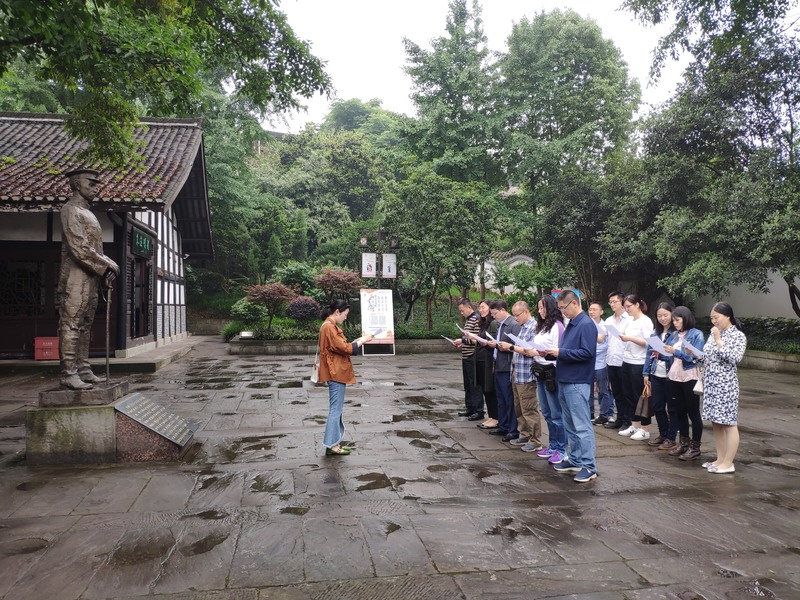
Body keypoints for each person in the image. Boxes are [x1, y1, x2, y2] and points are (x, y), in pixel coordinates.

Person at [58, 169, 120, 390]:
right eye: (91, 184)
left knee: (85, 324)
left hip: (90, 276)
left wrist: (107, 264)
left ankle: (83, 368)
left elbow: (95, 249)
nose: (95, 188)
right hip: (75, 275)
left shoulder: (88, 213)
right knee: (71, 322)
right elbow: (79, 248)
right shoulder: (70, 210)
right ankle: (68, 373)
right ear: (76, 184)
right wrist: (106, 265)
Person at [547, 290, 598, 483]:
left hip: (577, 381)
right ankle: (575, 459)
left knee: (582, 426)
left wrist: (560, 352)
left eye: (563, 307)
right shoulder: (573, 323)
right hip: (566, 379)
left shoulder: (586, 324)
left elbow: (587, 353)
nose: (562, 312)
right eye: (560, 308)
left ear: (574, 303)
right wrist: (553, 353)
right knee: (570, 424)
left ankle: (589, 466)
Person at [688, 302, 746, 472]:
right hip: (711, 384)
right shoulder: (714, 333)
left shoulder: (738, 336)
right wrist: (694, 353)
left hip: (725, 385)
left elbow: (734, 358)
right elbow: (706, 357)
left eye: (716, 317)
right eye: (712, 318)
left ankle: (728, 463)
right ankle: (720, 459)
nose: (714, 321)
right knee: (716, 423)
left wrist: (719, 341)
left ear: (728, 316)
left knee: (728, 423)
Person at [317, 300, 373, 456]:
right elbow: (345, 348)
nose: (345, 317)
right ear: (337, 312)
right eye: (345, 314)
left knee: (336, 409)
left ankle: (333, 443)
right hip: (336, 372)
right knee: (335, 410)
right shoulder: (329, 327)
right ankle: (332, 445)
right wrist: (362, 340)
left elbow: (340, 347)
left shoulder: (328, 326)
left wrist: (358, 341)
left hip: (335, 371)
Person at [525, 295, 567, 464]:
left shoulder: (557, 326)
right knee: (547, 412)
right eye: (539, 308)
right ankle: (553, 445)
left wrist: (539, 352)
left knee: (556, 413)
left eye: (543, 308)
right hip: (540, 370)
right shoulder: (542, 326)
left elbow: (558, 350)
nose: (540, 311)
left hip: (552, 371)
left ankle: (562, 449)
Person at [498, 301, 543, 452]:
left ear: (526, 312)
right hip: (517, 373)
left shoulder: (534, 327)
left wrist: (510, 347)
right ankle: (524, 434)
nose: (515, 318)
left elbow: (530, 350)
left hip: (527, 375)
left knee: (529, 408)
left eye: (517, 315)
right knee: (519, 408)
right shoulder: (522, 327)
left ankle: (535, 440)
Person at [662, 306, 705, 458]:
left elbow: (695, 358)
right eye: (673, 320)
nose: (675, 323)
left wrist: (676, 352)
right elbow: (669, 356)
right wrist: (661, 352)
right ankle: (683, 443)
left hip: (689, 375)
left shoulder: (696, 334)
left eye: (677, 320)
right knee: (679, 411)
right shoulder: (674, 334)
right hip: (674, 375)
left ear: (685, 319)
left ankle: (695, 447)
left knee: (693, 412)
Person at [618, 295, 654, 439]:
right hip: (627, 360)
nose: (627, 309)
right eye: (625, 307)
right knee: (628, 395)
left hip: (639, 362)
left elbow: (648, 343)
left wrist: (630, 338)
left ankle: (644, 428)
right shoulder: (630, 321)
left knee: (640, 396)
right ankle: (634, 425)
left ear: (637, 304)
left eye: (629, 306)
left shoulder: (645, 321)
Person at [485, 300, 520, 442]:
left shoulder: (513, 324)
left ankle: (513, 429)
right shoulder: (500, 324)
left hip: (507, 366)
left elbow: (517, 346)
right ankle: (503, 426)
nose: (494, 317)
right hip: (498, 365)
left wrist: (503, 346)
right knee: (500, 399)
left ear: (503, 310)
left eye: (495, 313)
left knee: (508, 399)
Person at [642, 303, 676, 448]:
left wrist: (663, 353)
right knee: (657, 406)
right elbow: (649, 354)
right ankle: (663, 434)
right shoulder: (655, 333)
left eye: (666, 315)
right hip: (656, 373)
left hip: (671, 375)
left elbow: (676, 354)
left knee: (672, 408)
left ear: (672, 315)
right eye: (659, 315)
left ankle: (671, 437)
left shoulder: (676, 334)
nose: (663, 318)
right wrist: (646, 373)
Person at [453, 298, 484, 421]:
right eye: (460, 311)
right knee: (467, 384)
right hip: (466, 355)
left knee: (474, 384)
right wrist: (462, 342)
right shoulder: (469, 320)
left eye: (462, 310)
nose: (461, 313)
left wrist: (463, 340)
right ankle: (470, 408)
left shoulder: (476, 319)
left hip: (472, 356)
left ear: (469, 307)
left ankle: (478, 410)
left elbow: (477, 339)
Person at [602, 292, 630, 428]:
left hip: (624, 360)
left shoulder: (629, 319)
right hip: (611, 360)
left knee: (626, 392)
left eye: (615, 302)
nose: (612, 304)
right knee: (616, 392)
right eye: (610, 302)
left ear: (622, 302)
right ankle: (620, 418)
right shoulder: (608, 320)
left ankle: (628, 420)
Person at [588, 301, 614, 425]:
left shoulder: (604, 325)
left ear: (601, 312)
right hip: (589, 362)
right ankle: (590, 413)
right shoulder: (587, 324)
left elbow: (603, 343)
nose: (592, 312)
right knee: (588, 390)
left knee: (603, 390)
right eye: (590, 310)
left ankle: (605, 414)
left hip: (601, 362)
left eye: (595, 309)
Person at [475, 300, 499, 429]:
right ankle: (491, 416)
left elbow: (493, 341)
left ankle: (495, 417)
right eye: (479, 308)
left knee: (490, 389)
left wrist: (484, 342)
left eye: (483, 307)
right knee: (485, 389)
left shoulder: (493, 323)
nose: (481, 310)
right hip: (480, 358)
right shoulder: (483, 323)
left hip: (488, 360)